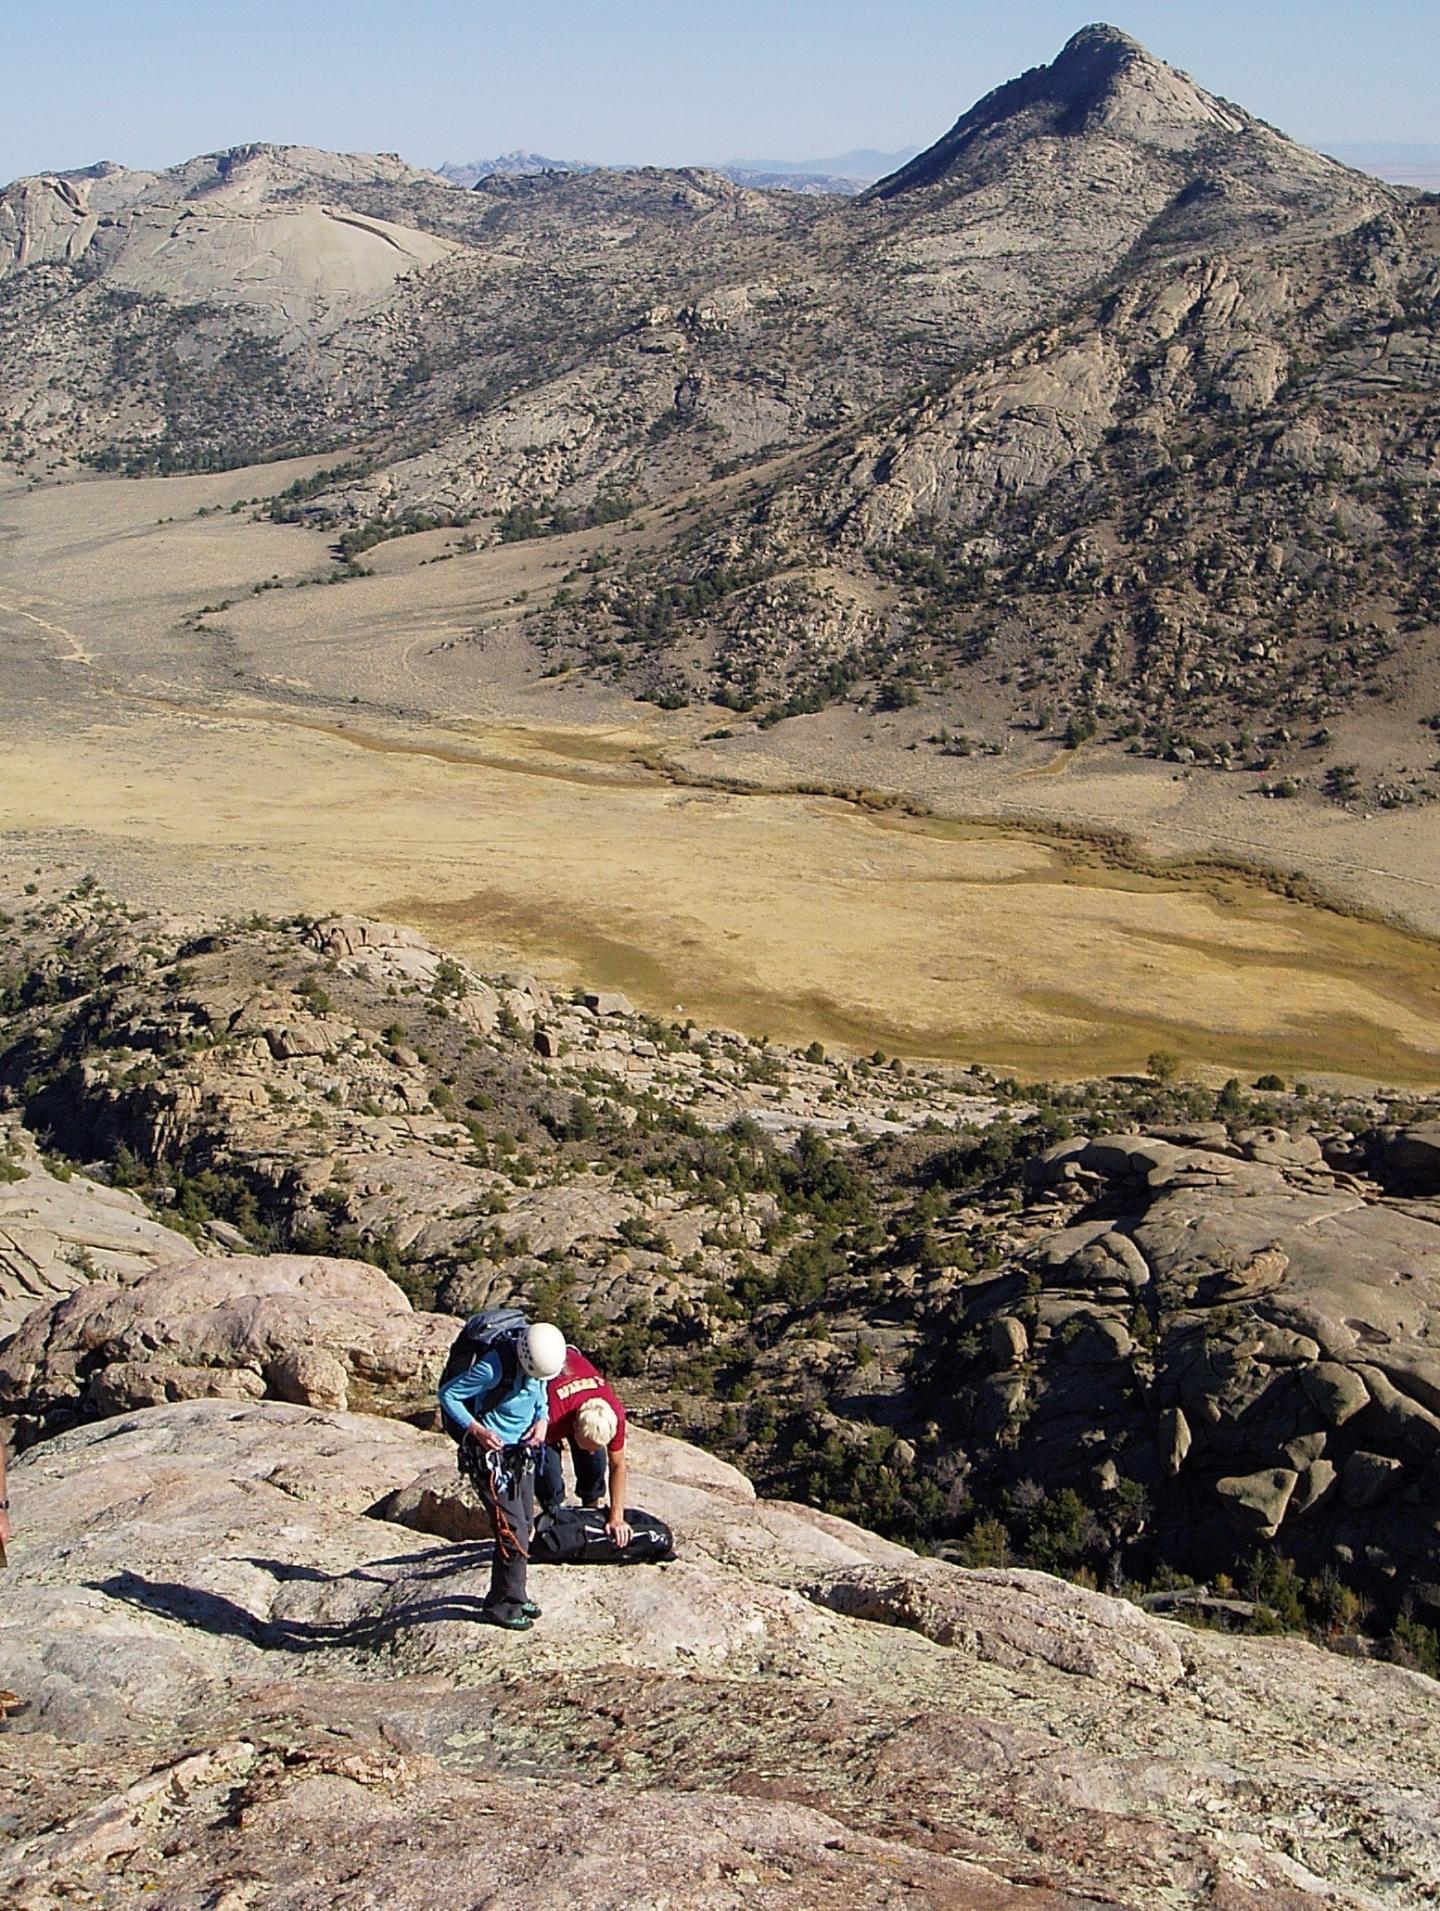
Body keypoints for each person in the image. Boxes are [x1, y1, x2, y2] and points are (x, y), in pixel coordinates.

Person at [438, 1319, 567, 1631]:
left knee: (525, 1526)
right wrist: (478, 1430)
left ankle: (515, 1593)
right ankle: (501, 1605)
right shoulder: (494, 1367)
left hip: (520, 1454)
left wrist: (542, 1420)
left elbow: (540, 1392)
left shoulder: (536, 1365)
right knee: (512, 1531)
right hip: (492, 1459)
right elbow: (449, 1395)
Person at [538, 1344, 631, 1550]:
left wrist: (616, 1517)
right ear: (574, 1428)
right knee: (548, 1473)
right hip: (553, 1395)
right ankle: (554, 1517)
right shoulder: (553, 1416)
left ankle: (590, 1511)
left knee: (595, 1464)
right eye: (588, 1445)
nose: (590, 1450)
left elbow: (618, 1464)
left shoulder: (614, 1413)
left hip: (578, 1407)